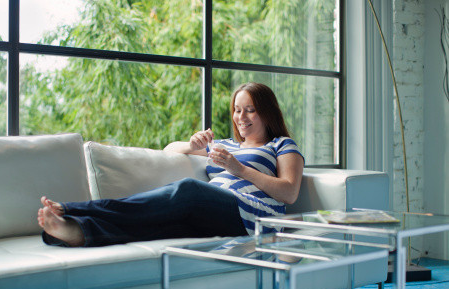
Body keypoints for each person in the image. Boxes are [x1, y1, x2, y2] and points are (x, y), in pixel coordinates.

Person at [38, 82, 304, 247]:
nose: (241, 117)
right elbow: (169, 150)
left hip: (252, 217)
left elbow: (289, 192)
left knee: (188, 190)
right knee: (158, 228)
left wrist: (240, 169)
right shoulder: (227, 145)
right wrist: (192, 145)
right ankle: (75, 231)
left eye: (250, 109)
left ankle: (74, 208)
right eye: (237, 109)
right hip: (216, 214)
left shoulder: (281, 144)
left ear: (266, 112)